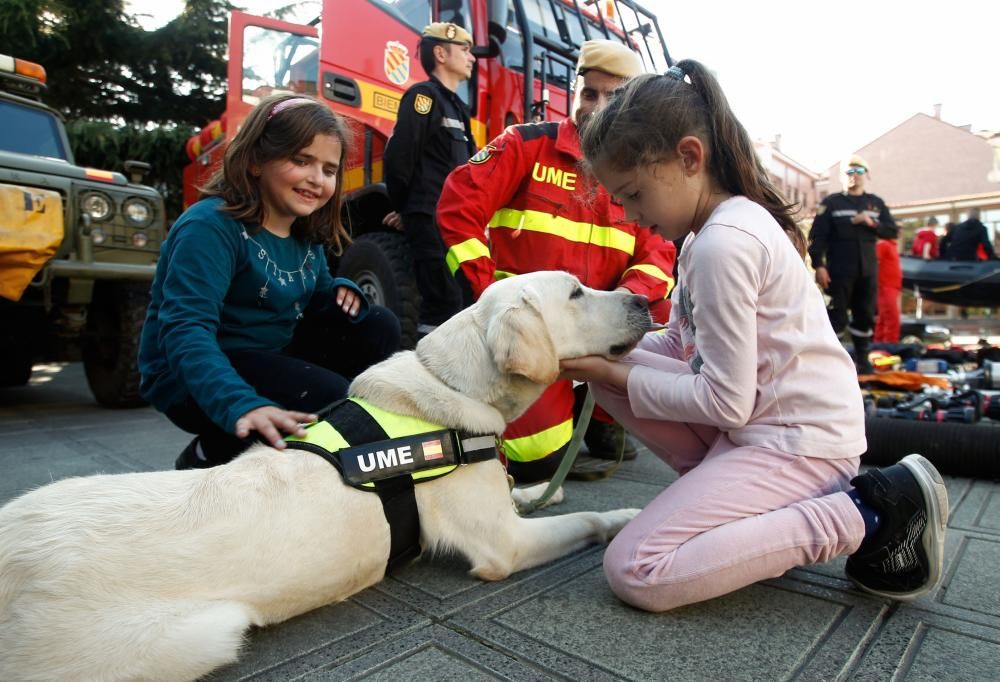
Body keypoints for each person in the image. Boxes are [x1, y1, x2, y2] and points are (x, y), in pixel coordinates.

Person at [560, 63, 947, 613]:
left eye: (633, 194)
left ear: (689, 158)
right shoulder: (699, 238)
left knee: (637, 570)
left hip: (799, 446)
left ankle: (868, 513)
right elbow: (679, 348)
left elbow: (726, 401)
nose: (630, 215)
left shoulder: (725, 243)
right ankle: (736, 511)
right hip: (760, 430)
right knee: (613, 380)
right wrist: (593, 349)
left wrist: (609, 368)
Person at [436, 39, 677, 481]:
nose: (597, 107)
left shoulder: (640, 169)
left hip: (600, 327)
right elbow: (458, 207)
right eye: (590, 94)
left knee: (656, 307)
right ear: (576, 93)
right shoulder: (525, 145)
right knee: (535, 463)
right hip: (535, 336)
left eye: (614, 97)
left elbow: (658, 253)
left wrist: (627, 301)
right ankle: (573, 410)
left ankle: (601, 412)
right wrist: (490, 293)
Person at [139, 94, 401, 469]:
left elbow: (317, 292)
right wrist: (241, 404)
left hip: (269, 353)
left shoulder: (304, 235)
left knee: (377, 325)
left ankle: (285, 434)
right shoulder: (210, 226)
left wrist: (343, 293)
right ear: (257, 160)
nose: (316, 179)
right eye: (301, 161)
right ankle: (212, 451)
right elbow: (185, 330)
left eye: (329, 170)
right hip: (191, 373)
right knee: (329, 398)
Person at [382, 22, 477, 337]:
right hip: (430, 218)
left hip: (454, 222)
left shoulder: (458, 109)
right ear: (440, 53)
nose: (472, 58)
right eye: (464, 50)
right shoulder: (423, 97)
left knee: (462, 302)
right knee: (443, 306)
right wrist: (408, 209)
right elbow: (399, 158)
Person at [808, 154, 899, 374]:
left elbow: (892, 230)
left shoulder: (875, 204)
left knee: (865, 315)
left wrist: (870, 223)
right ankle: (832, 364)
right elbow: (817, 237)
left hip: (867, 270)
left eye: (858, 172)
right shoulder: (832, 203)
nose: (854, 177)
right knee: (836, 316)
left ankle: (863, 360)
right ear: (843, 177)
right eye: (849, 172)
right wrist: (818, 265)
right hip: (838, 270)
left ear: (865, 175)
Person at [874, 236, 902, 344]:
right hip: (886, 287)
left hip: (892, 287)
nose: (900, 231)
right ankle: (890, 345)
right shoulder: (883, 245)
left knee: (884, 318)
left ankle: (879, 344)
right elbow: (874, 262)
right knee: (892, 318)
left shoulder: (892, 245)